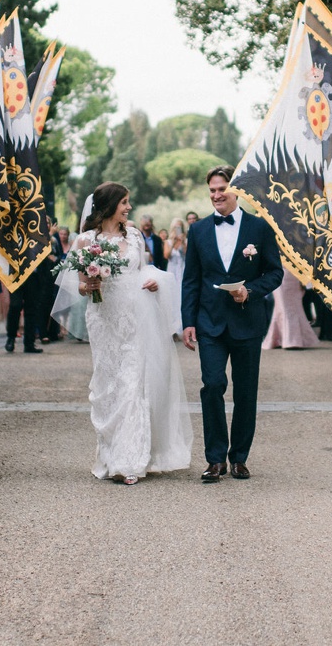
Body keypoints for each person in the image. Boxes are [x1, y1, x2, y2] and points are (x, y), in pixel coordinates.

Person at [55, 182, 192, 484]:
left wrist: (153, 282)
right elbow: (77, 284)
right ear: (110, 205)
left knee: (133, 381)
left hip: (135, 315)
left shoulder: (134, 235)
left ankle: (129, 460)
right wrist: (88, 284)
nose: (129, 207)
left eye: (129, 202)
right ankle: (109, 453)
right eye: (124, 202)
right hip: (104, 319)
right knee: (109, 384)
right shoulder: (85, 241)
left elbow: (143, 270)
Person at [180, 166, 284, 482]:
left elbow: (275, 272)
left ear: (235, 190)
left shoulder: (259, 228)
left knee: (246, 392)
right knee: (212, 385)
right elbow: (191, 280)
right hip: (209, 322)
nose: (216, 195)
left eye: (221, 188)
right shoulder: (197, 231)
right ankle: (215, 460)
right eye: (211, 190)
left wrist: (250, 291)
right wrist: (188, 321)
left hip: (247, 322)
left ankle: (239, 457)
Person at [263, 269, 320, 350]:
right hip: (280, 273)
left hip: (295, 274)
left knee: (292, 306)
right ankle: (288, 339)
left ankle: (282, 338)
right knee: (282, 307)